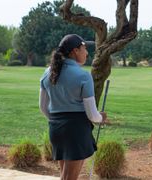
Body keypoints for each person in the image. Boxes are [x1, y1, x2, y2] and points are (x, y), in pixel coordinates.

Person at [39, 34, 107, 180]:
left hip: (56, 129)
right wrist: (101, 117)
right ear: (75, 51)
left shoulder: (47, 73)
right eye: (84, 49)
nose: (87, 53)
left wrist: (60, 121)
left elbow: (43, 107)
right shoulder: (83, 76)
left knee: (64, 176)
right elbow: (92, 114)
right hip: (76, 131)